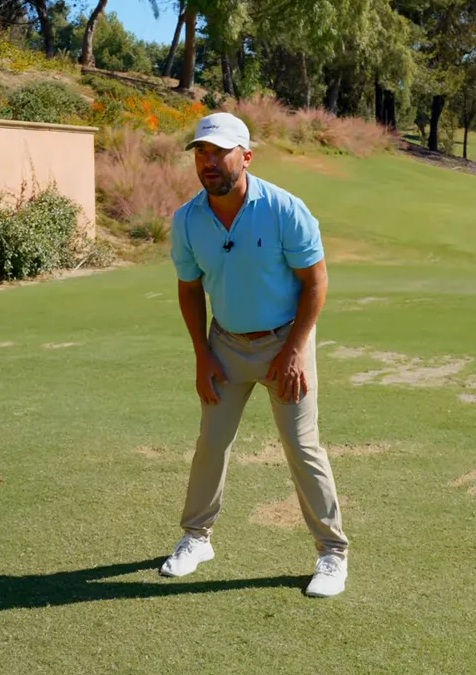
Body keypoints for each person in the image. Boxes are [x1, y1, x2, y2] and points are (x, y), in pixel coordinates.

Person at [160, 112, 349, 598]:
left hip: (284, 343)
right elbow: (189, 290)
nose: (208, 162)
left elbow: (316, 283)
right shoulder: (187, 219)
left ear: (245, 156)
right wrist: (202, 354)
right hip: (225, 345)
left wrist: (294, 351)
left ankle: (332, 554)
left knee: (301, 446)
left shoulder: (286, 209)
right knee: (211, 443)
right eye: (200, 152)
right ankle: (196, 538)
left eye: (219, 152)